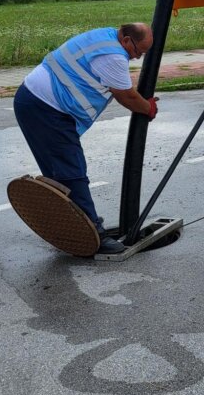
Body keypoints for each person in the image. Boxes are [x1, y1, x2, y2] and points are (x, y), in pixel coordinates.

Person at [13, 23, 158, 255]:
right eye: (137, 51)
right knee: (72, 171)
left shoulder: (105, 36)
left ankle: (71, 227)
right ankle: (94, 236)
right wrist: (147, 108)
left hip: (31, 99)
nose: (137, 57)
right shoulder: (113, 56)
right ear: (126, 40)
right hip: (47, 108)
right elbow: (127, 97)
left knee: (58, 174)